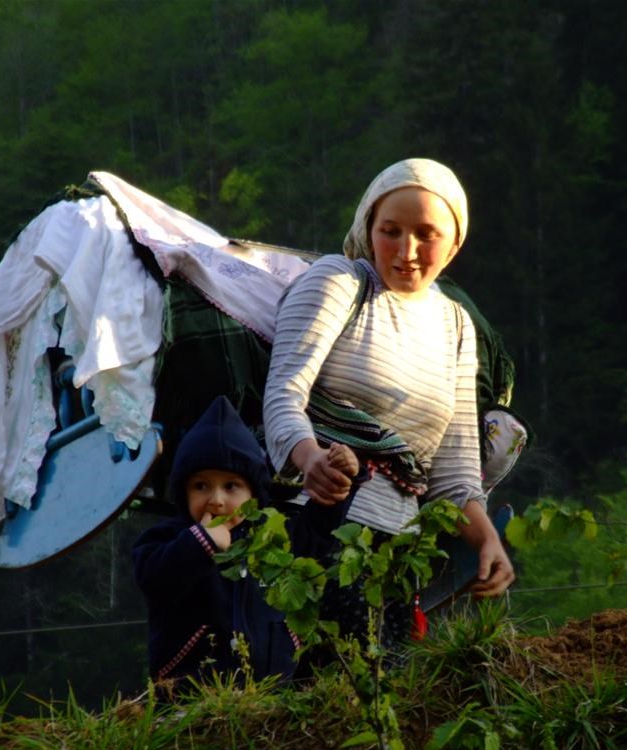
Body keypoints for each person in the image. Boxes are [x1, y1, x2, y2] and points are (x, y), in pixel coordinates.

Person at [263, 157, 524, 648]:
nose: (407, 251)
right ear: (369, 228)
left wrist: (488, 539)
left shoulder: (456, 326)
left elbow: (453, 471)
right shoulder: (338, 281)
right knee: (322, 688)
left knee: (387, 695)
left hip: (398, 552)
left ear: (454, 243)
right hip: (315, 528)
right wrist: (309, 456)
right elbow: (283, 395)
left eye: (427, 234)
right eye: (391, 231)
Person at [131, 394, 350, 691]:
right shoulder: (168, 538)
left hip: (274, 695)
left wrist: (339, 476)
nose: (216, 500)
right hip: (188, 698)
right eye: (200, 486)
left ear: (254, 495)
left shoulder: (272, 538)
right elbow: (153, 577)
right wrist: (199, 544)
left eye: (231, 486)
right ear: (183, 493)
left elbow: (317, 536)